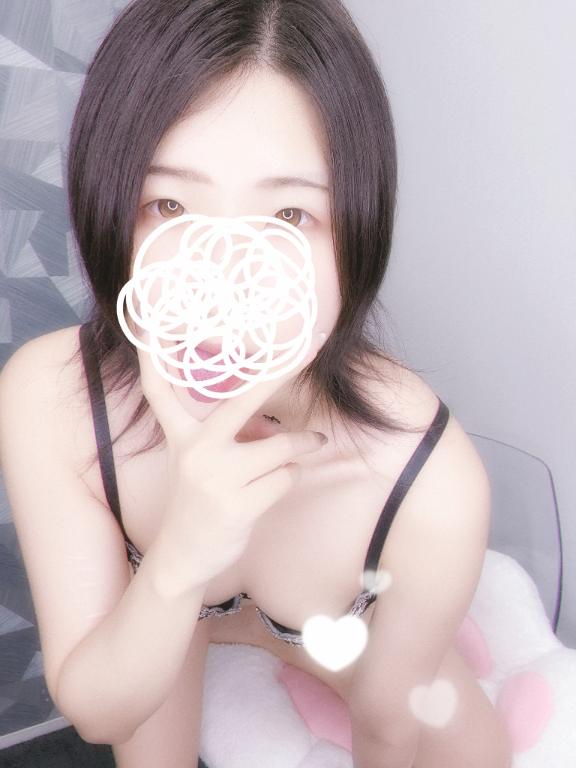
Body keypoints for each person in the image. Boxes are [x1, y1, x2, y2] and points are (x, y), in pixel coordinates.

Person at [0, 1, 513, 767]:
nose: (222, 282)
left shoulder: (425, 480)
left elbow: (388, 727)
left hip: (352, 650)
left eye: (289, 216)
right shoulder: (54, 399)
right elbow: (102, 713)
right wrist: (179, 556)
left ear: (358, 230)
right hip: (162, 622)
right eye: (170, 205)